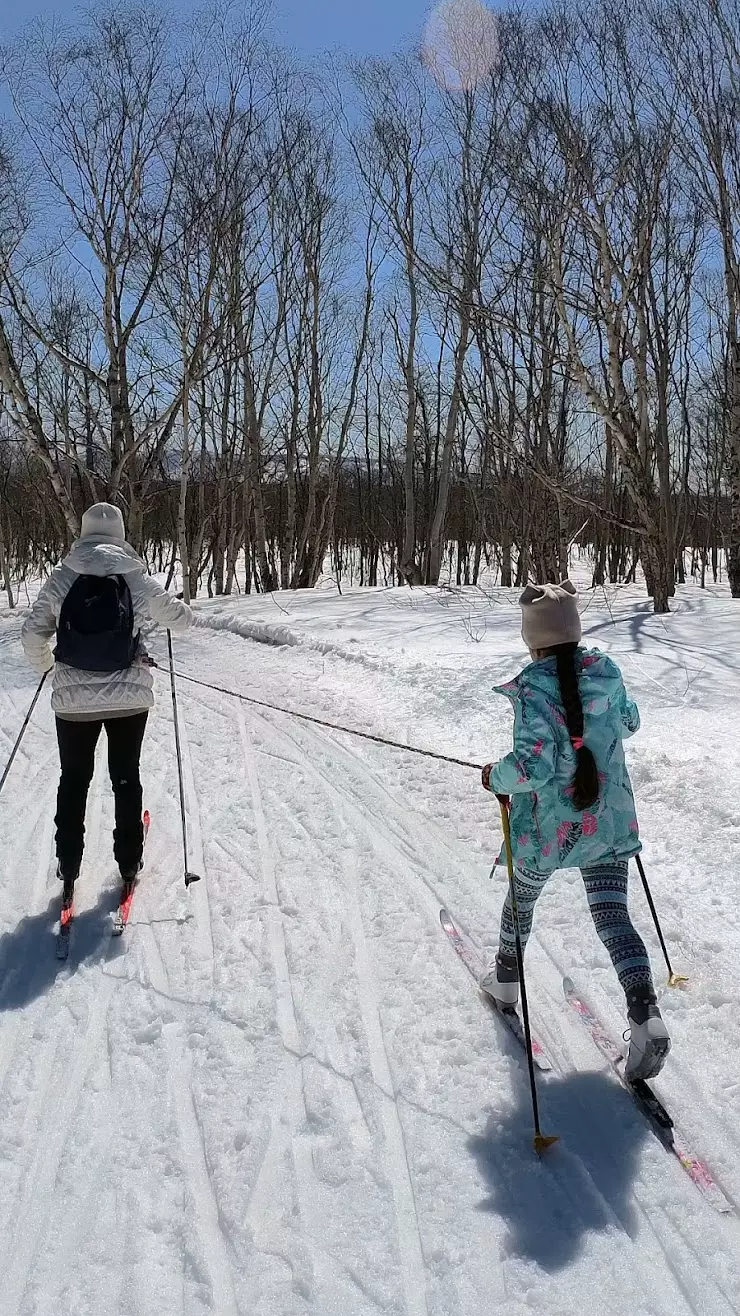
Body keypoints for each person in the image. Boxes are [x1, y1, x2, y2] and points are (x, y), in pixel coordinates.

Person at [480, 580, 670, 1083]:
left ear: (531, 638)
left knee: (522, 901)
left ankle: (504, 980)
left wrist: (492, 776)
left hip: (548, 830)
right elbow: (628, 722)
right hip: (606, 823)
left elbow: (532, 768)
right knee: (612, 917)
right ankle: (644, 1011)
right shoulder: (606, 669)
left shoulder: (533, 689)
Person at [21, 502, 192, 891]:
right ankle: (129, 862)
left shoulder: (64, 577)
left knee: (74, 778)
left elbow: (32, 634)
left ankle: (68, 862)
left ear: (82, 533)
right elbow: (181, 621)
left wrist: (48, 665)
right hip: (129, 699)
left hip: (72, 702)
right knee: (125, 777)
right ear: (120, 534)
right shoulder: (134, 578)